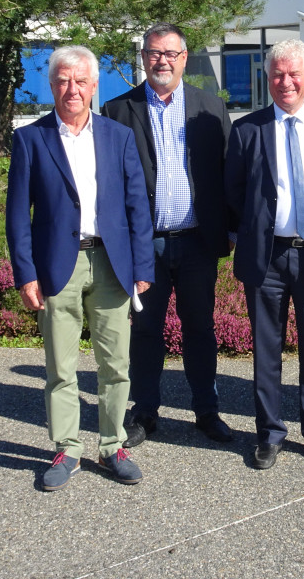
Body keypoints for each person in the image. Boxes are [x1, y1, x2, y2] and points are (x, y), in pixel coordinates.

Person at [6, 45, 154, 490]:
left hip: (111, 262)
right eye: (63, 81)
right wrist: (25, 273)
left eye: (81, 81)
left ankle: (112, 445)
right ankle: (67, 448)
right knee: (61, 365)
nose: (72, 89)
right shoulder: (30, 139)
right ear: (52, 86)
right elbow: (17, 215)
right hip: (57, 265)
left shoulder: (117, 136)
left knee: (116, 363)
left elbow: (136, 206)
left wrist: (141, 264)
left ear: (94, 86)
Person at [102, 22, 234, 447]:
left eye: (171, 54)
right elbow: (109, 184)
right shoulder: (117, 111)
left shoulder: (209, 107)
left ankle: (207, 411)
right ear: (143, 58)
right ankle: (144, 412)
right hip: (146, 244)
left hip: (197, 241)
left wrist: (230, 229)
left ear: (184, 58)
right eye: (154, 53)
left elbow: (229, 173)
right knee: (144, 331)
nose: (162, 61)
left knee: (200, 327)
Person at [224, 38, 304, 470]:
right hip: (268, 257)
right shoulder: (247, 130)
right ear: (267, 78)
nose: (286, 82)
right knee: (266, 349)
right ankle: (270, 433)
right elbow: (234, 192)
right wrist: (259, 228)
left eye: (294, 73)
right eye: (277, 74)